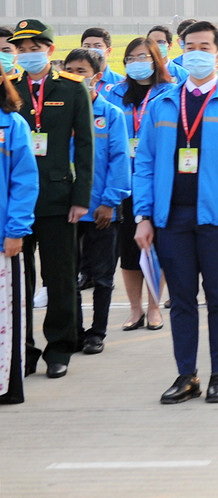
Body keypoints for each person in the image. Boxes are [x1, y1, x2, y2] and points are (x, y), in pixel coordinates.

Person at [132, 20, 218, 404]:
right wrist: (143, 216)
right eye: (190, 46)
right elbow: (145, 163)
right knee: (183, 301)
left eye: (205, 47)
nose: (197, 53)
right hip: (171, 218)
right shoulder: (162, 103)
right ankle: (186, 375)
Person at [12, 19, 93, 380]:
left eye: (36, 48)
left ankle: (59, 347)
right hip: (17, 200)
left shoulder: (73, 88)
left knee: (59, 278)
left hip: (60, 196)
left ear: (50, 50)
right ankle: (22, 349)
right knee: (19, 281)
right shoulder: (9, 87)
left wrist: (82, 197)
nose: (29, 55)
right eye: (23, 50)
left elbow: (87, 146)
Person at [60, 49, 131, 357]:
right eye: (70, 69)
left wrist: (110, 202)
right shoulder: (59, 113)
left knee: (102, 275)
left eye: (82, 70)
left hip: (101, 209)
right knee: (68, 274)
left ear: (97, 77)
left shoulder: (110, 114)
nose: (76, 75)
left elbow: (119, 161)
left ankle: (97, 332)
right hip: (66, 209)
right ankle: (73, 330)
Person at [101, 36, 172, 331]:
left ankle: (155, 306)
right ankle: (134, 309)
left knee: (158, 247)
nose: (137, 63)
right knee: (129, 250)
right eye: (131, 58)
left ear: (155, 59)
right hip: (125, 182)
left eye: (143, 57)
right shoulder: (114, 94)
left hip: (160, 181)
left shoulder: (170, 94)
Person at [0, 68, 39, 405]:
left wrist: (16, 230)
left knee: (5, 320)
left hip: (3, 240)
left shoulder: (12, 125)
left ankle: (6, 387)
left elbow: (24, 182)